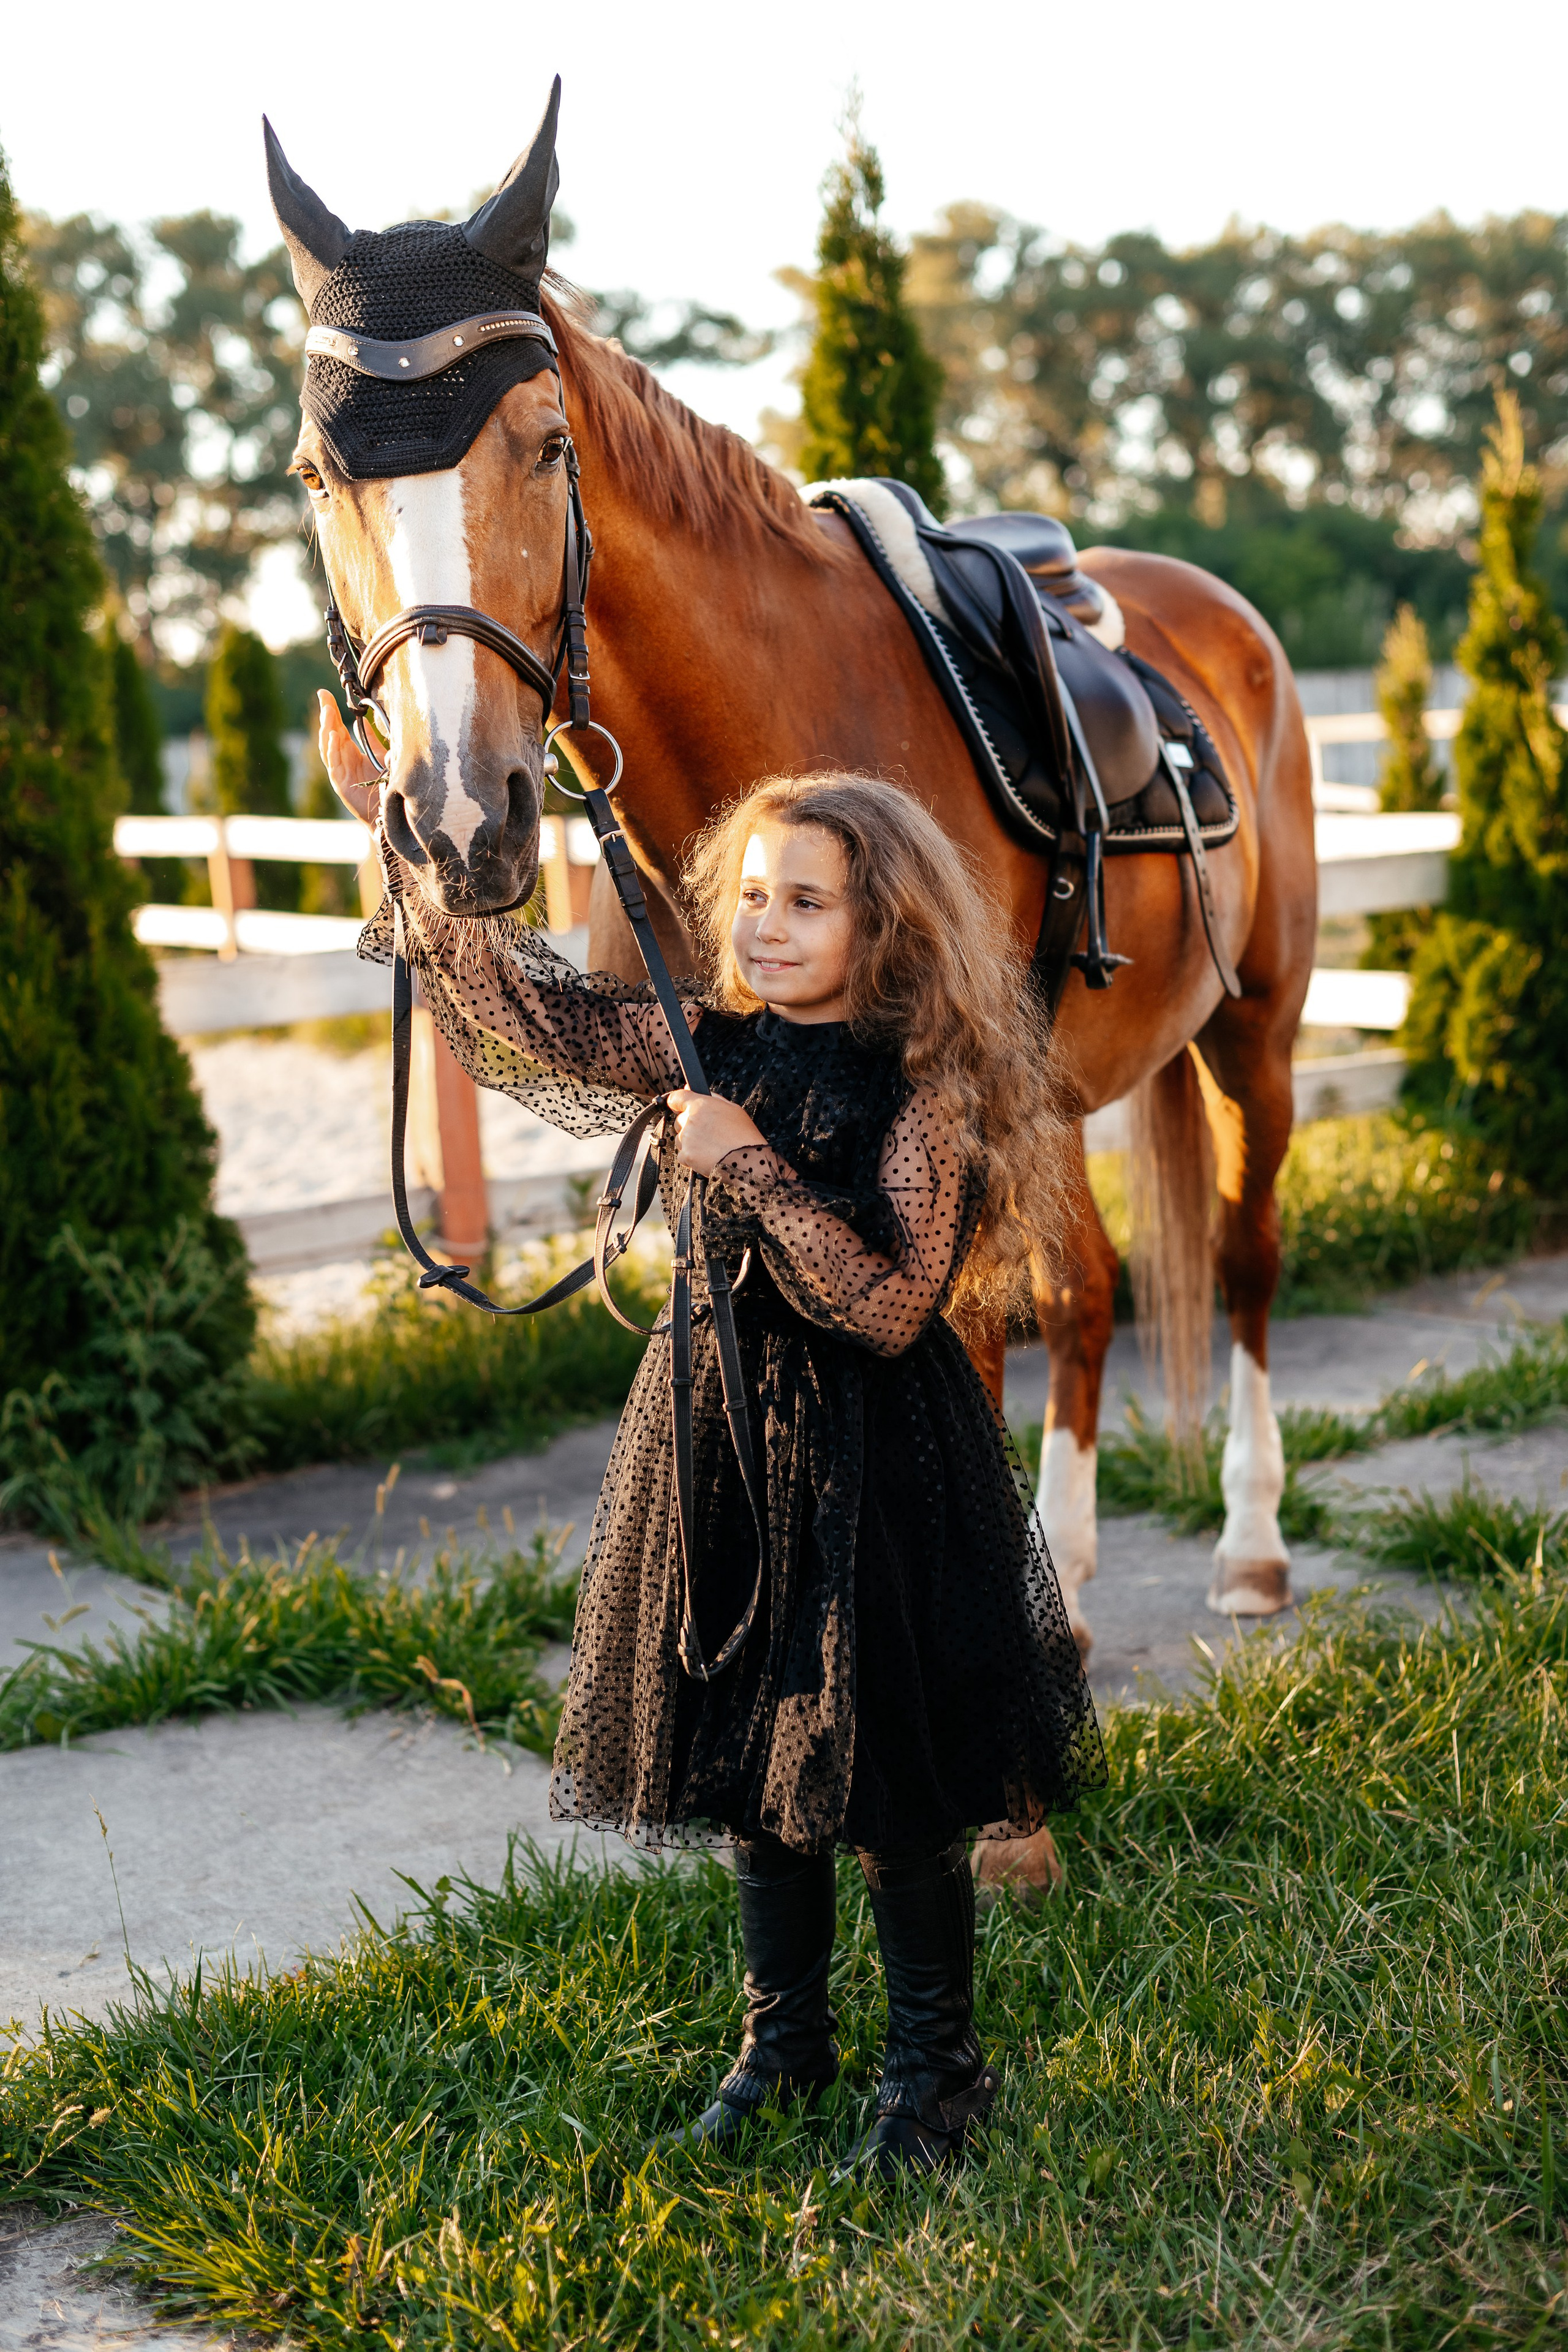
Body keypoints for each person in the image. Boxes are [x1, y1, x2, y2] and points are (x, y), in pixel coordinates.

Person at [322, 707, 1104, 2174]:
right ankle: (782, 2044)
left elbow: (881, 1308)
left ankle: (936, 2074)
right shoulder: (703, 1041)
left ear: (891, 927)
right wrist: (411, 857)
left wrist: (743, 1167)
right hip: (714, 1440)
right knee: (752, 1756)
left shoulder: (919, 1099)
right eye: (749, 895)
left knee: (891, 1783)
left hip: (876, 1463)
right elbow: (529, 1012)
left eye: (806, 901)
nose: (766, 924)